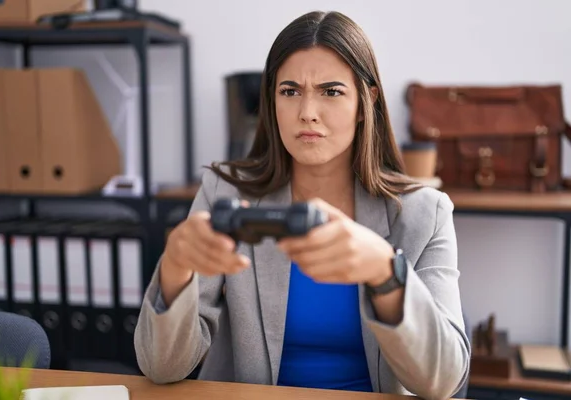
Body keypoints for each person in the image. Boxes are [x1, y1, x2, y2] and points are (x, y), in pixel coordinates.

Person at [134, 10, 470, 400]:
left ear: (367, 102)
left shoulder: (424, 214)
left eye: (331, 91)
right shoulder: (223, 193)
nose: (307, 111)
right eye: (290, 91)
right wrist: (175, 269)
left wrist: (385, 271)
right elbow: (161, 368)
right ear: (271, 100)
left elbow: (443, 382)